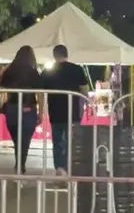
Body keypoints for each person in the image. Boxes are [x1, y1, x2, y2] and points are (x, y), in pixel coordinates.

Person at [0, 45, 45, 174]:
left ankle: (19, 164)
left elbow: (1, 89)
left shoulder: (9, 71)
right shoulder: (33, 73)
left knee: (16, 139)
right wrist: (41, 113)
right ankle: (20, 164)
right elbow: (40, 94)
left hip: (12, 108)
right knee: (25, 139)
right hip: (28, 108)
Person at [43, 45, 90, 175]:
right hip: (73, 112)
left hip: (55, 112)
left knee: (57, 141)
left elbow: (41, 90)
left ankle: (59, 167)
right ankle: (71, 166)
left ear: (54, 56)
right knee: (72, 141)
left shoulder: (48, 72)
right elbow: (84, 89)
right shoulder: (77, 69)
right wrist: (85, 103)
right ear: (67, 54)